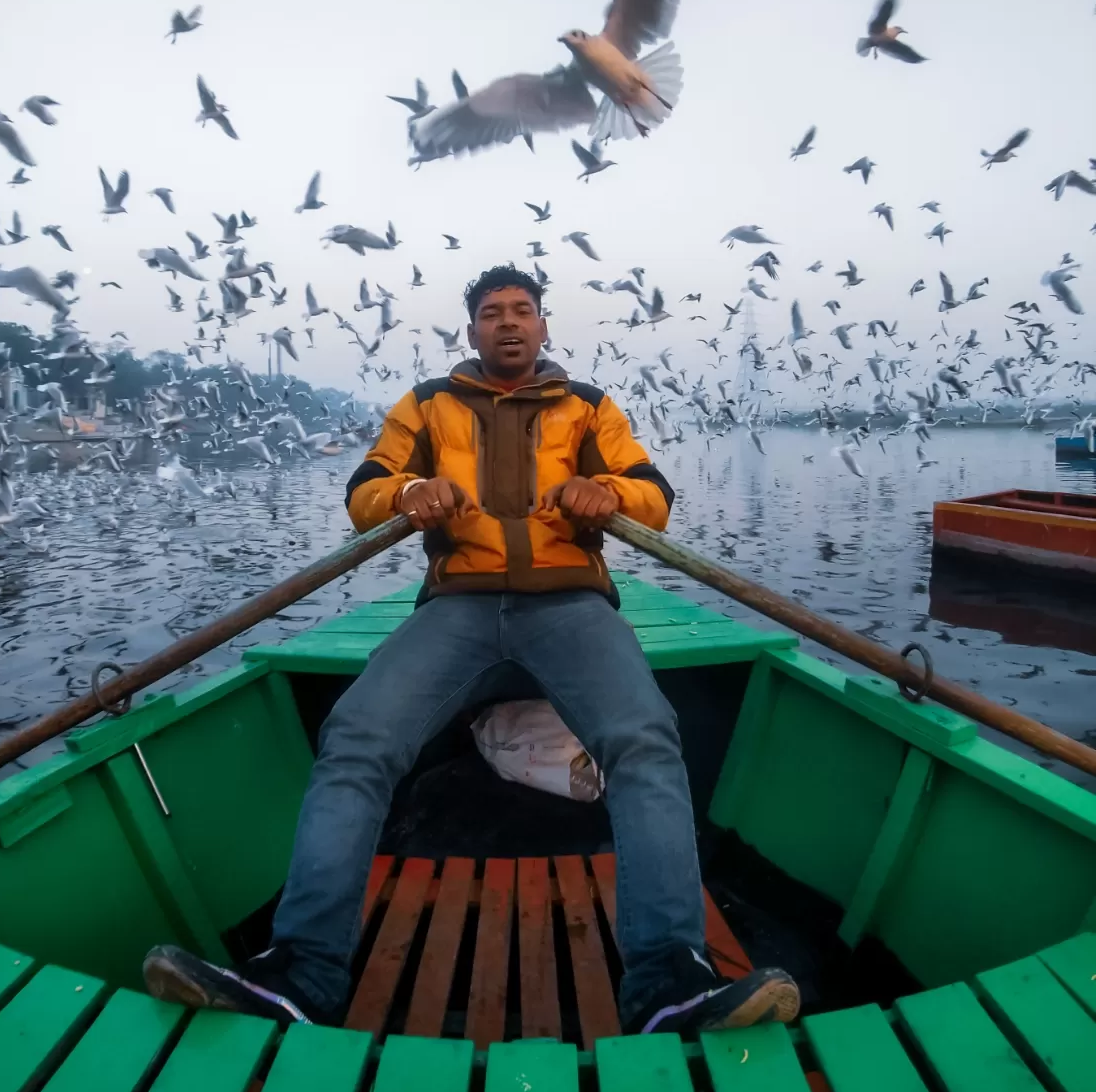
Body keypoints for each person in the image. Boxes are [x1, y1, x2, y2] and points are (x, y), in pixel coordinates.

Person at [143, 265, 799, 1035]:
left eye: (523, 311)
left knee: (644, 739)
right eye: (493, 313)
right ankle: (302, 972)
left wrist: (611, 495)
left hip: (570, 604)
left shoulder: (589, 408)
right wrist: (406, 497)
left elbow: (652, 491)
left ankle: (668, 980)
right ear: (473, 331)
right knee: (357, 737)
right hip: (458, 606)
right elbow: (365, 492)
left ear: (544, 327)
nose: (510, 323)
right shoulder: (428, 404)